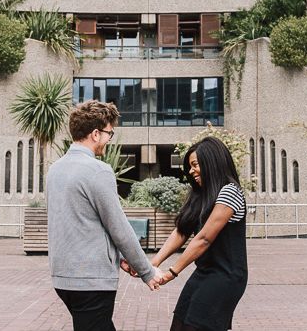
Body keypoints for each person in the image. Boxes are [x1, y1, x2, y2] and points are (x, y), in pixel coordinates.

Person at [46, 100, 162, 331]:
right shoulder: (98, 170)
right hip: (91, 281)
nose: (110, 139)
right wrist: (147, 271)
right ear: (96, 133)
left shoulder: (55, 169)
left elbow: (78, 224)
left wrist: (119, 259)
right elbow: (118, 226)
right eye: (110, 133)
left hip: (63, 278)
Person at [124, 136, 248, 331]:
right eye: (190, 166)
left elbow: (204, 239)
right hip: (204, 273)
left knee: (195, 326)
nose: (191, 171)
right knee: (179, 324)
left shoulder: (230, 192)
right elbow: (181, 232)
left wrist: (172, 273)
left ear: (211, 162)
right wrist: (152, 264)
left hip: (225, 277)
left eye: (195, 165)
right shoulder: (201, 195)